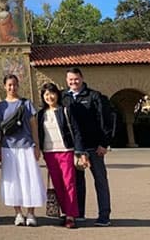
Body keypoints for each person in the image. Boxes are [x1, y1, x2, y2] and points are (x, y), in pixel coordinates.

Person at [61, 67, 114, 227]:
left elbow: (106, 120)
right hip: (75, 148)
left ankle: (104, 215)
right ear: (66, 80)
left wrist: (104, 143)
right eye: (70, 79)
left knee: (100, 180)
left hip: (94, 146)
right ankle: (79, 213)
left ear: (82, 78)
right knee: (77, 182)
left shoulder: (94, 96)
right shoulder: (64, 97)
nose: (73, 82)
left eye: (76, 79)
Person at [0, 74, 45, 227]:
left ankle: (31, 213)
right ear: (4, 86)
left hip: (26, 146)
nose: (12, 87)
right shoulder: (0, 106)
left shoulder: (27, 103)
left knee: (30, 179)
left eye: (15, 84)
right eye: (9, 85)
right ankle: (18, 213)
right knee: (13, 181)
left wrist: (37, 146)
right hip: (8, 148)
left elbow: (34, 126)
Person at [37, 82, 89, 229]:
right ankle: (65, 212)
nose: (49, 97)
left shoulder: (65, 110)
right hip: (49, 153)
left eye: (52, 93)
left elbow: (76, 131)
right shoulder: (41, 114)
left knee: (69, 183)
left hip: (66, 151)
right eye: (46, 94)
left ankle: (71, 215)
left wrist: (79, 152)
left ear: (57, 95)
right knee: (58, 184)